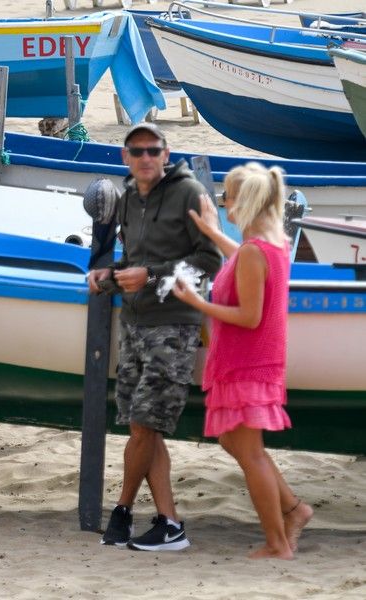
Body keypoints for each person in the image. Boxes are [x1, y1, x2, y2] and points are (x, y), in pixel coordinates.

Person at [87, 123, 221, 551]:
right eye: (137, 151)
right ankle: (170, 523)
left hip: (174, 324)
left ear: (166, 154)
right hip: (135, 324)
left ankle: (122, 511)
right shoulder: (128, 200)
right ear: (126, 157)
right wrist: (108, 277)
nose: (146, 157)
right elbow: (133, 261)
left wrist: (151, 274)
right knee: (144, 429)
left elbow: (209, 260)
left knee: (145, 423)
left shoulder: (189, 194)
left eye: (153, 150)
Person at [172, 163, 313, 559]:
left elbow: (250, 316)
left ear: (244, 204)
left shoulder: (257, 252)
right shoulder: (270, 245)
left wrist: (198, 303)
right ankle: (294, 509)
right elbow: (242, 260)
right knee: (234, 439)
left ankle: (277, 543)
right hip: (251, 361)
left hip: (247, 362)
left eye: (227, 199)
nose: (225, 205)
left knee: (250, 452)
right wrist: (213, 231)